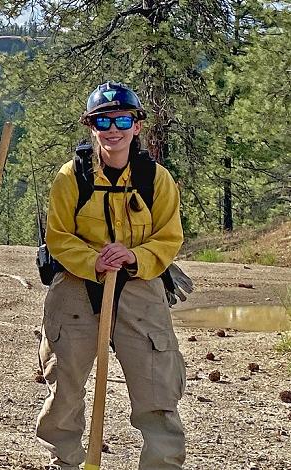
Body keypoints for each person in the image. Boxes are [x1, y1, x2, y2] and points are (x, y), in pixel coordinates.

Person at [35, 82, 185, 470]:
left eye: (122, 119)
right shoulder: (72, 177)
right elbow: (58, 236)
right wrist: (92, 261)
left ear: (137, 126)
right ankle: (66, 462)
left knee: (158, 394)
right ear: (91, 127)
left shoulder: (157, 179)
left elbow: (169, 238)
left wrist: (134, 256)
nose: (112, 129)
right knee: (64, 388)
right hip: (76, 285)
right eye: (103, 121)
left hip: (140, 285)